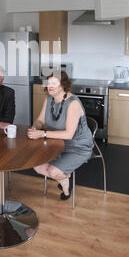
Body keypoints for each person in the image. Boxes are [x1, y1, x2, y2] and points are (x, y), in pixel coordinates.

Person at [27, 71, 93, 200]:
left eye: (54, 83)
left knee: (52, 171)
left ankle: (65, 184)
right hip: (57, 143)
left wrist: (42, 134)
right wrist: (35, 127)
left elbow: (69, 134)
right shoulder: (49, 98)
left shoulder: (73, 103)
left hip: (78, 146)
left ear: (63, 85)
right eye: (48, 83)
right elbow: (41, 120)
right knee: (37, 166)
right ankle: (64, 178)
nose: (50, 86)